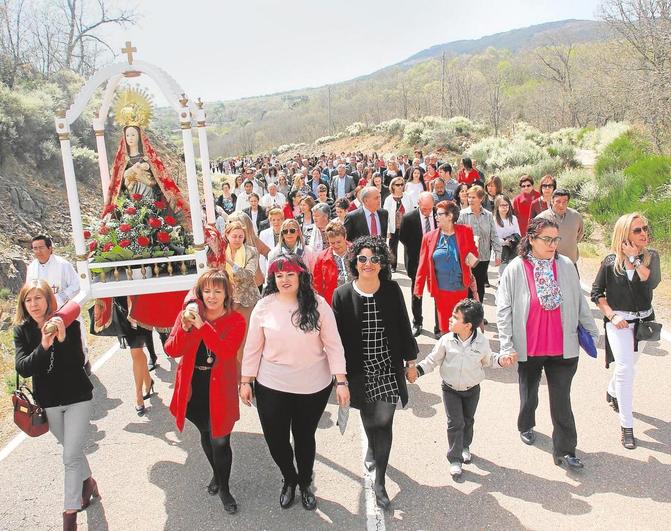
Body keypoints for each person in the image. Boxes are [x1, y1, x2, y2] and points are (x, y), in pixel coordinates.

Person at [240, 254, 349, 511]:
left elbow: (334, 346)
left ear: (301, 275)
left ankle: (304, 482)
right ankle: (289, 478)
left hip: (312, 387)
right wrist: (246, 381)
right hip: (271, 386)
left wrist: (341, 381)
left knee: (304, 438)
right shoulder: (264, 306)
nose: (285, 280)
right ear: (272, 279)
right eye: (279, 275)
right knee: (276, 440)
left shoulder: (319, 305)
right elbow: (253, 348)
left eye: (290, 274)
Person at [496, 217, 598, 469]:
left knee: (562, 400)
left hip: (563, 347)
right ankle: (526, 423)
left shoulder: (565, 265)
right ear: (531, 239)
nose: (553, 245)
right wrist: (507, 345)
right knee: (529, 393)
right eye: (547, 239)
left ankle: (565, 450)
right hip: (529, 346)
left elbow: (579, 301)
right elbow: (504, 309)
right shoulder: (516, 268)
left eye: (556, 239)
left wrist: (591, 330)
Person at [331, 237, 418, 511]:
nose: (368, 264)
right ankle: (371, 447)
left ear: (382, 262)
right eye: (362, 259)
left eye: (374, 259)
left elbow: (404, 326)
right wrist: (340, 377)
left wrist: (411, 362)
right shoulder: (342, 294)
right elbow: (335, 340)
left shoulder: (392, 290)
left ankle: (379, 479)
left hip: (388, 369)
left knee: (385, 422)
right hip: (360, 372)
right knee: (371, 421)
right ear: (355, 262)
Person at [14, 280, 97, 530]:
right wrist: (44, 345)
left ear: (49, 299)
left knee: (70, 456)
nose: (33, 304)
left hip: (78, 397)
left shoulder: (68, 323)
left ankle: (69, 516)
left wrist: (61, 338)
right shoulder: (23, 331)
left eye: (38, 298)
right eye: (28, 300)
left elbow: (78, 361)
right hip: (48, 402)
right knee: (71, 450)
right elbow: (23, 367)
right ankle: (88, 483)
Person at [164, 270, 246, 514]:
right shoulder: (189, 315)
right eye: (207, 291)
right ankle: (216, 475)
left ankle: (225, 488)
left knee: (220, 439)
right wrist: (186, 327)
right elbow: (171, 350)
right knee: (205, 431)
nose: (212, 296)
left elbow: (225, 351)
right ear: (200, 293)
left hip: (220, 388)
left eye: (217, 291)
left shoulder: (236, 321)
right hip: (194, 386)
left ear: (226, 294)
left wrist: (203, 327)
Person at [413, 299, 516, 478]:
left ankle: (465, 446)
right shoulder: (446, 340)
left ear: (468, 325)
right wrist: (417, 371)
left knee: (468, 420)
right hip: (450, 389)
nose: (450, 320)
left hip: (472, 389)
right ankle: (454, 458)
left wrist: (502, 360)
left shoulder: (481, 342)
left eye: (455, 317)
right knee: (455, 423)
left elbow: (489, 359)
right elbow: (432, 360)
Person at [590, 213, 661, 449]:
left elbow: (651, 283)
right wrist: (612, 314)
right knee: (625, 368)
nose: (644, 234)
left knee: (629, 366)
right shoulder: (610, 262)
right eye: (637, 230)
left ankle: (612, 390)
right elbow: (597, 293)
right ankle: (627, 426)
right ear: (624, 235)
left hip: (644, 324)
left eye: (645, 229)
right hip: (619, 323)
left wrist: (636, 259)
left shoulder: (652, 258)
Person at [414, 200, 479, 335]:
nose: (436, 217)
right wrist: (418, 288)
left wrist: (471, 256)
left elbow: (474, 251)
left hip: (461, 288)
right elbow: (423, 265)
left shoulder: (465, 231)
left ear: (450, 216)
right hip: (441, 290)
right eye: (436, 214)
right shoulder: (429, 237)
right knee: (445, 328)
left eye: (439, 214)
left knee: (461, 325)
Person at [26, 235, 90, 372]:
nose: (38, 251)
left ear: (50, 248)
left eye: (41, 247)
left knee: (75, 336)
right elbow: (28, 289)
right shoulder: (32, 268)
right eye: (35, 248)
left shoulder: (62, 264)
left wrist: (59, 299)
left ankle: (83, 363)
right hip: (43, 312)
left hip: (64, 308)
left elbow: (76, 285)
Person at [399, 192, 439, 337]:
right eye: (424, 209)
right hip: (416, 262)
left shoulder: (438, 215)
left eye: (430, 208)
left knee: (438, 293)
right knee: (417, 293)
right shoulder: (409, 218)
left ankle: (439, 326)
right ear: (419, 204)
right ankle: (417, 322)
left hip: (436, 261)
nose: (427, 212)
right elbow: (403, 238)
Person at [223, 221, 260, 364]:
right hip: (226, 302)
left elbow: (249, 274)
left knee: (245, 340)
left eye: (241, 236)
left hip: (247, 302)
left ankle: (245, 377)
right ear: (227, 235)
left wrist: (231, 263)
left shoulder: (251, 251)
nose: (238, 239)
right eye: (234, 236)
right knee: (228, 340)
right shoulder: (221, 251)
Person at [459, 185, 502, 303]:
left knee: (479, 287)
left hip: (483, 256)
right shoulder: (462, 214)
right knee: (468, 286)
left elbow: (494, 235)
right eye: (469, 197)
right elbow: (457, 235)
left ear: (481, 199)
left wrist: (498, 254)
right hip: (467, 258)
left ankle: (478, 315)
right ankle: (467, 316)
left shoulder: (488, 215)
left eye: (473, 197)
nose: (470, 200)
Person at [535, 189, 584, 266]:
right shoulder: (541, 218)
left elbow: (579, 235)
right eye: (558, 201)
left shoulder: (576, 216)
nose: (561, 205)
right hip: (548, 264)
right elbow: (536, 241)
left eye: (565, 202)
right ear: (552, 201)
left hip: (571, 263)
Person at [312, 221, 351, 305]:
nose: (336, 246)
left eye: (339, 242)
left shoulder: (357, 252)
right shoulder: (321, 258)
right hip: (333, 303)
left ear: (345, 237)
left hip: (357, 298)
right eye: (332, 243)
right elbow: (317, 285)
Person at [383, 177, 415, 272]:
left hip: (405, 227)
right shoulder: (388, 199)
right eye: (397, 185)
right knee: (392, 248)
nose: (400, 187)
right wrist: (388, 230)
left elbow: (412, 212)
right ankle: (393, 266)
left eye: (402, 184)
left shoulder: (407, 197)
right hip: (394, 227)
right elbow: (386, 216)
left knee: (408, 247)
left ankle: (409, 266)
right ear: (392, 186)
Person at [494, 195, 521, 277]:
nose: (505, 207)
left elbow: (518, 233)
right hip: (501, 248)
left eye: (507, 205)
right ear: (497, 206)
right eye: (502, 205)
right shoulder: (494, 220)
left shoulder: (513, 218)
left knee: (514, 269)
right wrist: (504, 242)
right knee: (504, 270)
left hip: (513, 246)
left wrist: (511, 240)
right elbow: (494, 237)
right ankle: (501, 283)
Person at [259, 208, 284, 275]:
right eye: (273, 220)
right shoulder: (264, 234)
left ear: (282, 220)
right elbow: (261, 256)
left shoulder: (287, 232)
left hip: (284, 267)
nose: (276, 222)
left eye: (278, 220)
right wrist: (263, 272)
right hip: (269, 267)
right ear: (270, 221)